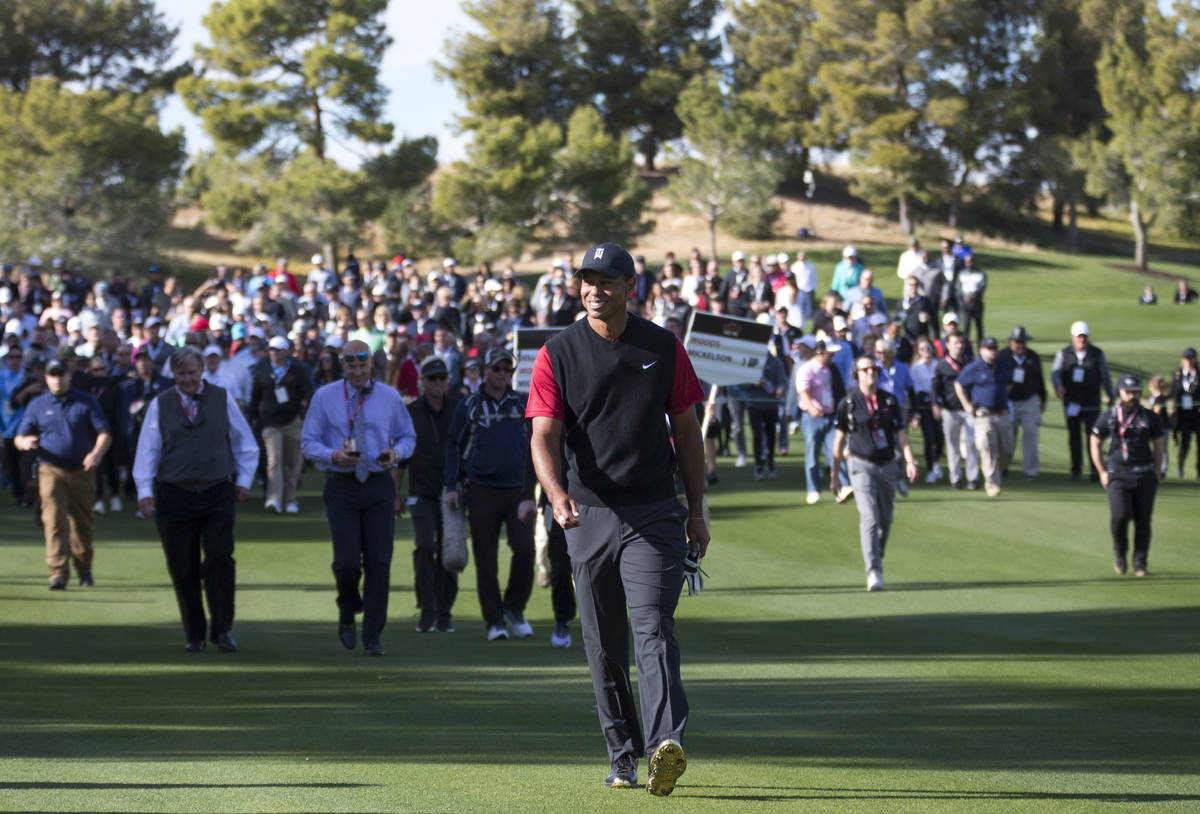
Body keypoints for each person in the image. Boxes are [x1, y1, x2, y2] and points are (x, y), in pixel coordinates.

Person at [527, 242, 708, 796]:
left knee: (653, 627)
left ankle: (664, 747)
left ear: (631, 286)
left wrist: (696, 510)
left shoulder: (663, 347)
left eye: (606, 280)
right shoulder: (556, 353)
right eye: (586, 280)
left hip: (654, 512)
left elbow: (687, 433)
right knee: (604, 642)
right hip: (588, 514)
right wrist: (556, 495)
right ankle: (622, 755)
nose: (594, 289)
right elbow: (543, 436)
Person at [133, 346, 259, 652]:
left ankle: (222, 630)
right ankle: (195, 634)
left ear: (201, 370)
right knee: (182, 566)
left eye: (192, 372)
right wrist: (144, 492)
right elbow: (148, 449)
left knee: (220, 560)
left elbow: (245, 442)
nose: (187, 379)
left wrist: (243, 480)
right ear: (172, 374)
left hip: (217, 491)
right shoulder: (160, 404)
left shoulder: (222, 398)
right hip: (174, 494)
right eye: (181, 374)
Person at [301, 339, 417, 656]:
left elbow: (409, 436)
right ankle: (347, 610)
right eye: (350, 363)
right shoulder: (325, 397)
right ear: (343, 365)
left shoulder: (389, 397)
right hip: (341, 484)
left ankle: (372, 635)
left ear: (371, 365)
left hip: (378, 483)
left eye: (362, 363)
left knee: (379, 561)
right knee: (347, 562)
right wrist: (333, 455)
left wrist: (396, 453)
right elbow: (308, 442)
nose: (356, 369)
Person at [444, 347, 537, 641]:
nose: (502, 374)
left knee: (525, 550)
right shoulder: (469, 404)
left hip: (517, 491)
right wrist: (451, 485)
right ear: (485, 370)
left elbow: (535, 449)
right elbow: (453, 446)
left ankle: (514, 608)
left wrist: (529, 493)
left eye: (507, 369)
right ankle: (494, 619)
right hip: (481, 489)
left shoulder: (522, 402)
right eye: (497, 368)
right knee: (486, 558)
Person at [14, 352, 111, 589]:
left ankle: (84, 569)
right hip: (50, 470)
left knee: (82, 524)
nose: (57, 379)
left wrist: (96, 453)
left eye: (61, 374)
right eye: (52, 375)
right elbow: (19, 437)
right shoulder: (37, 405)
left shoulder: (86, 400)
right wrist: (24, 443)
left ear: (69, 375)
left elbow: (104, 433)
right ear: (46, 378)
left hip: (81, 470)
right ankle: (57, 572)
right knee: (54, 520)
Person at [831, 355, 919, 591]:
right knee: (869, 517)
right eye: (865, 370)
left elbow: (901, 434)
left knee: (886, 519)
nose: (871, 373)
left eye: (874, 369)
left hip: (887, 464)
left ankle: (876, 555)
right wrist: (834, 476)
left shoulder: (889, 400)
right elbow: (838, 440)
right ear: (857, 374)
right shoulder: (848, 403)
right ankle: (873, 570)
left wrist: (910, 461)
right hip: (861, 464)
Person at [398, 357, 460, 633]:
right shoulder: (410, 412)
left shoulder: (458, 408)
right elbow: (400, 457)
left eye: (441, 378)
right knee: (425, 547)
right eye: (431, 378)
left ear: (448, 380)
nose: (437, 383)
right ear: (422, 382)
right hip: (420, 492)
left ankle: (444, 611)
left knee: (450, 552)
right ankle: (426, 609)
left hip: (451, 493)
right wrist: (396, 493)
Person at [1089, 374, 1165, 577]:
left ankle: (1140, 563)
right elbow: (1094, 441)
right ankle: (1120, 554)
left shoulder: (1149, 417)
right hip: (1117, 475)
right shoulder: (1109, 416)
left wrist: (1157, 470)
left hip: (1144, 474)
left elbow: (1159, 443)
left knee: (1143, 520)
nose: (1132, 396)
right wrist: (1101, 471)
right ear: (1120, 393)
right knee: (1120, 516)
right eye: (1128, 392)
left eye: (1136, 392)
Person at [250, 335, 314, 513]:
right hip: (269, 422)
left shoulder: (297, 368)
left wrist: (304, 410)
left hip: (292, 420)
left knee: (291, 462)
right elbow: (256, 396)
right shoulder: (262, 368)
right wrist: (252, 418)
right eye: (271, 349)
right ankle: (274, 499)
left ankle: (290, 498)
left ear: (286, 351)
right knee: (274, 461)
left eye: (278, 350)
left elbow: (308, 392)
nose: (274, 353)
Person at [1052, 321, 1114, 481]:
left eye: (1084, 337)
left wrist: (1111, 396)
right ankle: (1076, 469)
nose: (1082, 340)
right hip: (1072, 402)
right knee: (1074, 437)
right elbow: (1056, 373)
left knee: (1093, 436)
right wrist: (1058, 386)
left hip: (1092, 402)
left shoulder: (1097, 354)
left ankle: (1095, 470)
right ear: (1073, 337)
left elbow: (1105, 376)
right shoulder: (1064, 353)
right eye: (1079, 337)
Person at [954, 337, 1013, 497]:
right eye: (988, 348)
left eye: (994, 348)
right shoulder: (974, 368)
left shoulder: (1004, 365)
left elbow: (1009, 383)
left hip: (1002, 413)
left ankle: (996, 473)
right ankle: (991, 483)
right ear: (981, 350)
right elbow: (959, 384)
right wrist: (966, 404)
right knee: (987, 448)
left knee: (1007, 450)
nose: (992, 351)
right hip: (983, 414)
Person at [997, 326, 1046, 479]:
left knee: (1031, 433)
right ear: (1011, 342)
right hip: (1009, 402)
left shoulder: (1033, 357)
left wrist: (1043, 397)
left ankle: (1030, 471)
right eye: (1017, 342)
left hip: (1029, 401)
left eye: (1023, 342)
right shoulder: (1002, 356)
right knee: (1007, 436)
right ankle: (1003, 467)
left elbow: (1040, 379)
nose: (1020, 345)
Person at [933, 333, 979, 489]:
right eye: (955, 343)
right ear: (948, 345)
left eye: (961, 343)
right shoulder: (942, 365)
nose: (959, 346)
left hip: (968, 409)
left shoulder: (970, 363)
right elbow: (935, 387)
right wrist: (935, 405)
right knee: (953, 446)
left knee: (971, 443)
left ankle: (973, 478)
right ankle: (956, 478)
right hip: (949, 409)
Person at [1169, 347, 1199, 478]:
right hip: (1183, 414)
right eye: (1186, 359)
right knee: (1185, 442)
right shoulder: (1177, 374)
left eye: (1191, 359)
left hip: (1197, 413)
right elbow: (1173, 393)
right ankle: (1180, 469)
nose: (1188, 362)